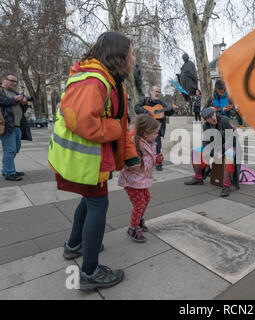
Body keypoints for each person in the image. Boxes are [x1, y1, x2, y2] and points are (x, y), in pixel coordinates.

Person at [48, 31, 139, 290]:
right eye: (131, 52)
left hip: (91, 158)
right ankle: (89, 272)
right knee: (98, 205)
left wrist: (129, 154)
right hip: (86, 159)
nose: (133, 57)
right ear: (119, 55)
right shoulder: (94, 81)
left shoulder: (111, 80)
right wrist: (115, 130)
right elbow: (84, 122)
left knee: (90, 202)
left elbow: (120, 119)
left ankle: (74, 244)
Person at [118, 115, 163, 243]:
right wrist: (133, 165)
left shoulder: (149, 143)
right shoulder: (134, 143)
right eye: (154, 133)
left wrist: (157, 160)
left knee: (146, 199)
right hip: (132, 180)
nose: (156, 135)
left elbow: (149, 159)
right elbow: (126, 160)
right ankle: (133, 227)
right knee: (139, 204)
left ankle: (139, 220)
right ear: (144, 132)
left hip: (142, 179)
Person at [184, 107, 239, 197]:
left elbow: (232, 138)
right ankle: (198, 178)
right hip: (215, 147)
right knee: (195, 152)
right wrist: (208, 157)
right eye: (209, 117)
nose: (213, 118)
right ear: (205, 120)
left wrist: (220, 151)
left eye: (213, 114)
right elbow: (206, 142)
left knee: (229, 155)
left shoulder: (224, 120)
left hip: (229, 146)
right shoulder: (206, 126)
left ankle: (226, 185)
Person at [134, 86, 178, 171]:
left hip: (156, 128)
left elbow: (167, 112)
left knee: (157, 146)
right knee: (141, 145)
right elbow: (136, 107)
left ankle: (158, 163)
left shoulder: (161, 103)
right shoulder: (144, 100)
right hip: (145, 127)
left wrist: (172, 109)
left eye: (159, 92)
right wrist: (146, 112)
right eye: (156, 91)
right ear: (151, 92)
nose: (157, 93)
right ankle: (141, 162)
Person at [0, 73, 32, 181]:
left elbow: (22, 110)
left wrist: (24, 103)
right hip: (7, 126)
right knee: (10, 150)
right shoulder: (1, 91)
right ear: (3, 80)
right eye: (12, 81)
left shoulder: (14, 93)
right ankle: (9, 172)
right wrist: (15, 99)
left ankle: (7, 169)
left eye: (16, 82)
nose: (14, 83)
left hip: (18, 126)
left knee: (16, 149)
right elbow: (3, 101)